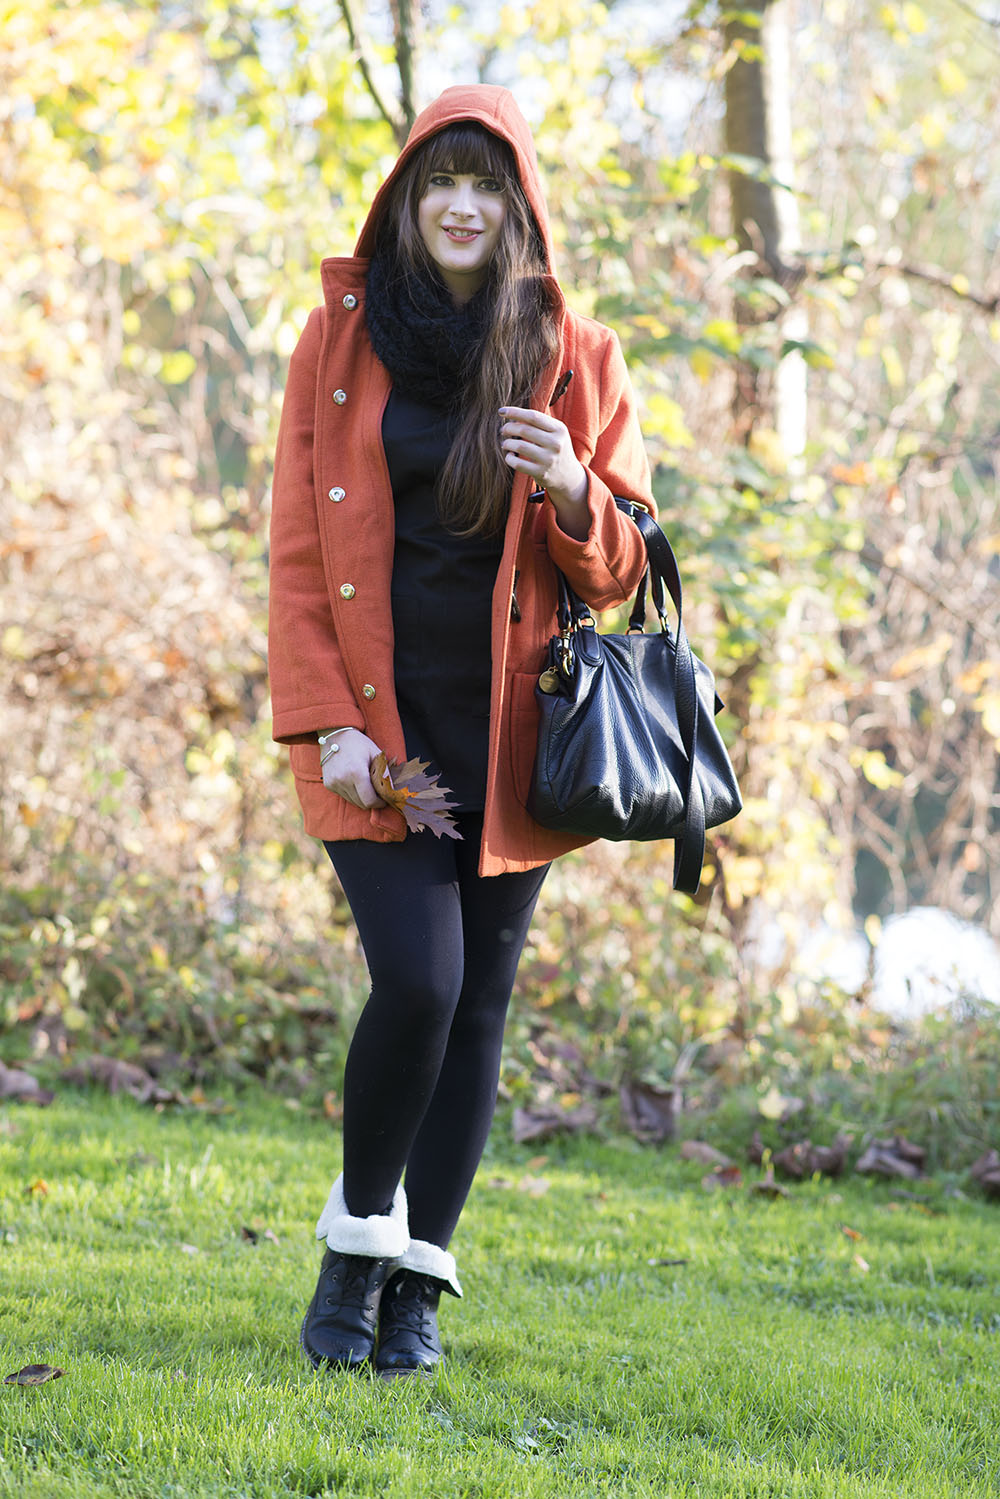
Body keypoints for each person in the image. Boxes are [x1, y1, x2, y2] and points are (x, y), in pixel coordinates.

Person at [268, 84, 655, 1377]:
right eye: (443, 179)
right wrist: (325, 720)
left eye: (489, 184)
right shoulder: (339, 340)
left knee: (478, 1002)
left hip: (512, 734)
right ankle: (355, 1246)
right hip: (380, 735)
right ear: (406, 195)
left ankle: (418, 1285)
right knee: (420, 982)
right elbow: (297, 553)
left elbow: (622, 572)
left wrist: (575, 490)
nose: (463, 205)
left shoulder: (578, 353)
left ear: (520, 205)